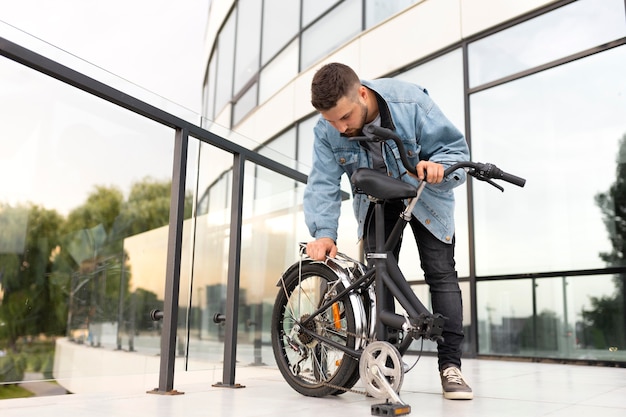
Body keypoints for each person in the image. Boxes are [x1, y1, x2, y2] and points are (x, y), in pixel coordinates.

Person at [303, 62, 473, 400]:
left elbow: (456, 151)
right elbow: (323, 182)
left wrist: (437, 166)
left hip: (426, 197)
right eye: (331, 121)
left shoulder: (410, 102)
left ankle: (450, 368)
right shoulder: (327, 130)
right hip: (375, 204)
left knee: (441, 273)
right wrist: (324, 232)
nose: (339, 128)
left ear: (362, 94)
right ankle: (384, 363)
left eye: (345, 118)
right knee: (379, 276)